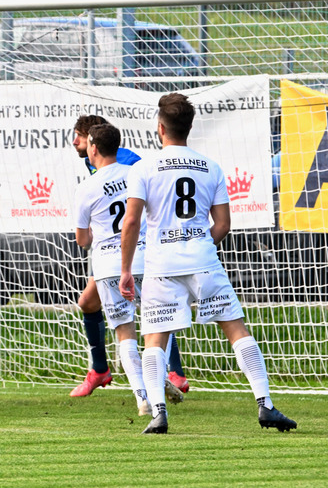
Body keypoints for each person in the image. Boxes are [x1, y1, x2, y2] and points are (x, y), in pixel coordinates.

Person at [119, 93, 297, 434]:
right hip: (203, 261)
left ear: (160, 128)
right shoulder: (210, 167)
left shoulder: (143, 168)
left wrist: (127, 270)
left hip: (161, 266)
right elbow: (224, 224)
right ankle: (266, 405)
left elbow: (131, 221)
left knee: (155, 339)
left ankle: (159, 412)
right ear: (189, 128)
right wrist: (198, 244)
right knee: (235, 329)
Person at [69, 114, 189, 399]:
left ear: (93, 144)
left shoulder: (130, 165)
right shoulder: (96, 166)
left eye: (79, 136)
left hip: (131, 251)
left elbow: (144, 205)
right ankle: (101, 370)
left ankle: (171, 374)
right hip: (120, 251)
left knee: (145, 320)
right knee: (88, 302)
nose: (75, 142)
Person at [72, 124, 151, 416]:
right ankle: (161, 381)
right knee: (156, 326)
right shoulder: (136, 174)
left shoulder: (86, 188)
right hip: (144, 258)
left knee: (124, 332)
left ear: (93, 148)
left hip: (107, 267)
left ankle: (142, 398)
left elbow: (82, 240)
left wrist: (99, 236)